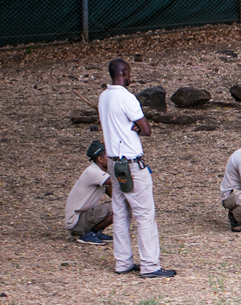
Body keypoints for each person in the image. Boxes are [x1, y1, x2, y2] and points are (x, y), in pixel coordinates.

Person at [98, 57, 177, 279]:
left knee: (121, 212)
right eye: (129, 71)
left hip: (113, 161)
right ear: (123, 72)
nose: (130, 75)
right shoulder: (127, 97)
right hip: (131, 163)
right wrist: (136, 127)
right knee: (144, 215)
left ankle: (122, 262)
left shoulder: (104, 96)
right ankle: (150, 265)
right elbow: (147, 129)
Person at [65, 139, 114, 245]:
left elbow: (114, 194)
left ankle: (95, 232)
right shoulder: (93, 172)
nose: (113, 159)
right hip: (76, 221)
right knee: (117, 206)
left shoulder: (100, 174)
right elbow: (116, 181)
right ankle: (90, 234)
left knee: (120, 205)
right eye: (109, 156)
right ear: (100, 159)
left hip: (81, 218)